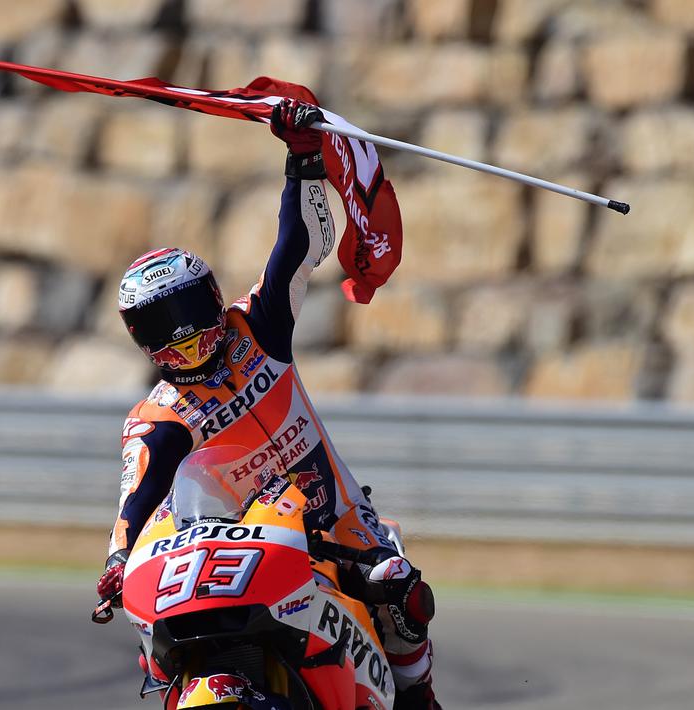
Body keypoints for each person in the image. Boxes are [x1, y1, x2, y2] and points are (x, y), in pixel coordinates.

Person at [97, 98, 440, 710]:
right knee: (153, 643)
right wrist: (120, 559)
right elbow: (139, 493)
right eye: (164, 329)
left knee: (404, 600)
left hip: (333, 520)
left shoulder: (259, 328)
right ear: (141, 340)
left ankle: (420, 701)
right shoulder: (160, 416)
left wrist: (302, 158)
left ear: (212, 296)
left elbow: (299, 248)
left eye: (193, 318)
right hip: (233, 546)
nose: (186, 338)